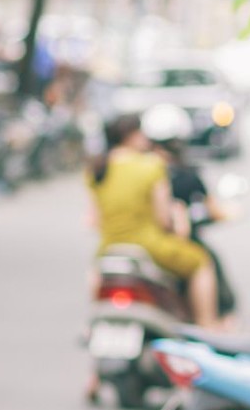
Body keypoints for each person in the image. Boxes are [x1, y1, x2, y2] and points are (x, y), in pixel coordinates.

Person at [89, 112, 217, 325]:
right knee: (201, 263)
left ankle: (91, 325)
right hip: (150, 246)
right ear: (131, 136)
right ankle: (208, 324)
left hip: (109, 246)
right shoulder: (151, 165)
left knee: (96, 275)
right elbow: (164, 220)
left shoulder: (97, 168)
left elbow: (93, 220)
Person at [140, 104, 239, 322]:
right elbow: (172, 221)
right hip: (167, 243)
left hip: (139, 243)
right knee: (203, 263)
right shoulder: (182, 175)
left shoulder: (134, 169)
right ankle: (208, 323)